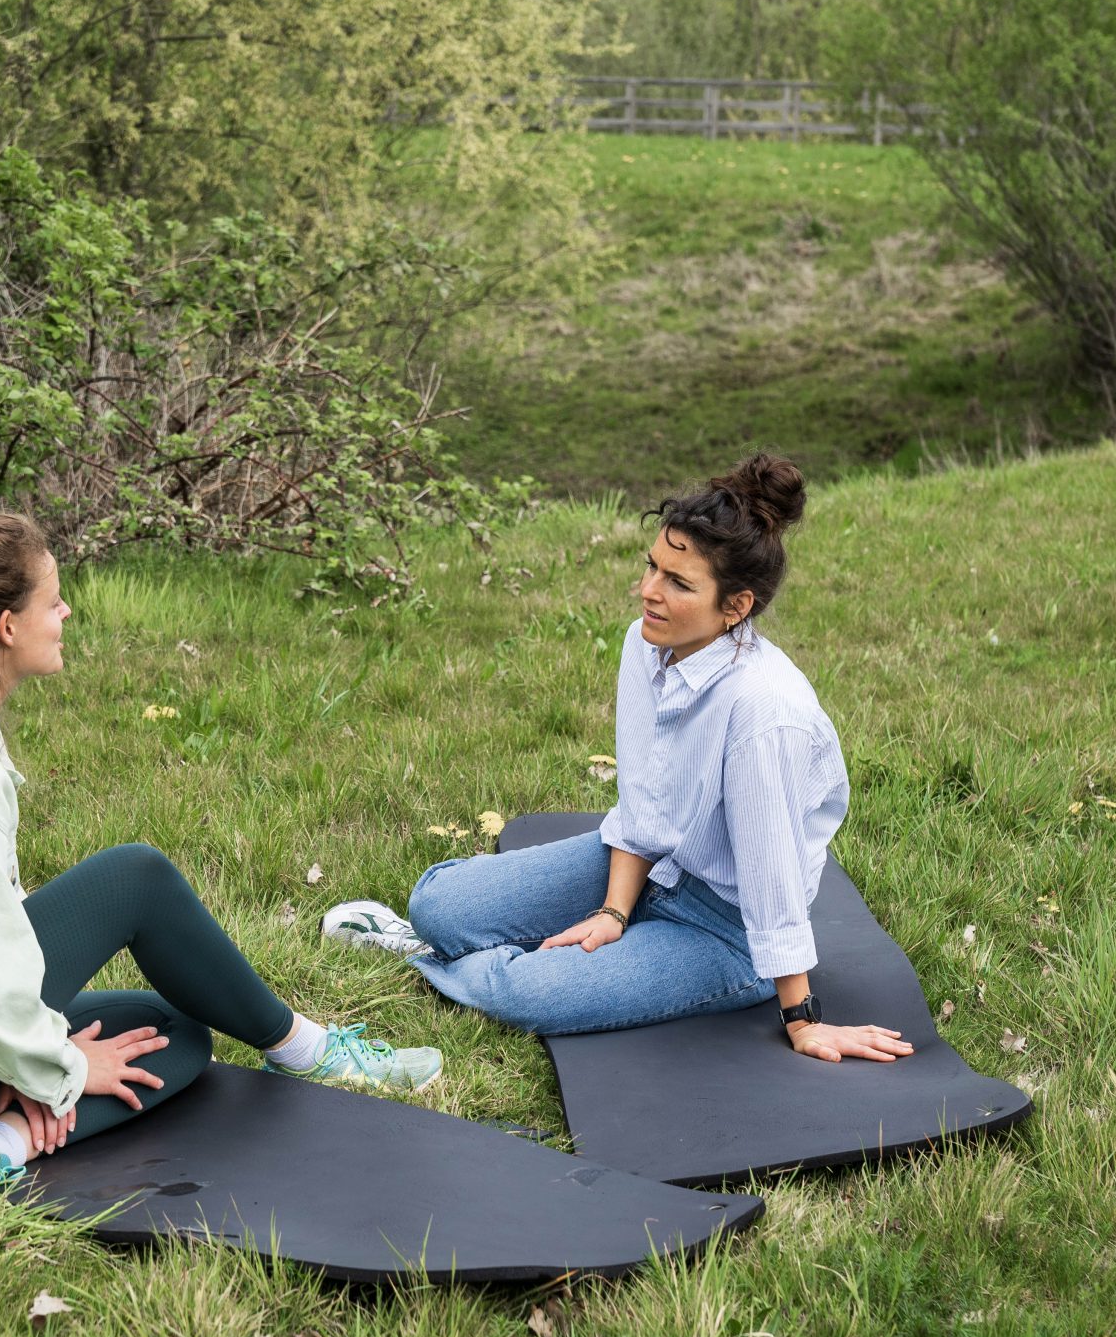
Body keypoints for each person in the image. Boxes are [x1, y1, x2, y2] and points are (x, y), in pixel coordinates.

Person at [0, 506, 441, 1200]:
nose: (66, 613)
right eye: (53, 601)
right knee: (133, 879)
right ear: (7, 627)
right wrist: (58, 1066)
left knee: (171, 1031)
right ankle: (309, 1053)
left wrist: (38, 1060)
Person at [322, 455, 913, 1065]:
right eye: (653, 566)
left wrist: (802, 1020)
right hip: (653, 868)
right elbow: (643, 801)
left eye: (679, 583)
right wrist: (613, 911)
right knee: (439, 906)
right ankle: (462, 948)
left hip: (727, 931)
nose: (649, 591)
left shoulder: (765, 712)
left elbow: (772, 873)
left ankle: (447, 963)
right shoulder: (646, 645)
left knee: (527, 993)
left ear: (736, 606)